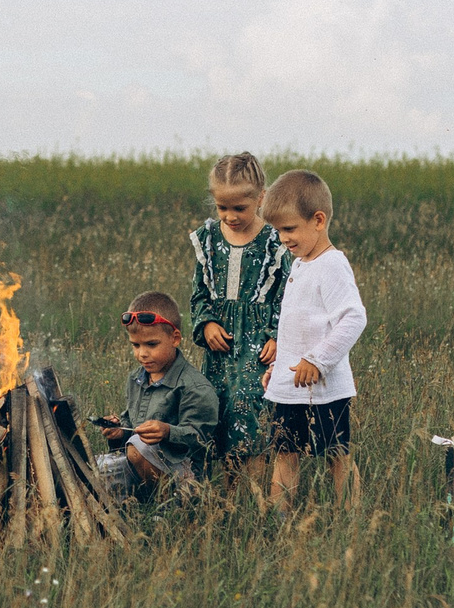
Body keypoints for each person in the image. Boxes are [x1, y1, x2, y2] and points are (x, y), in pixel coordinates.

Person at [260, 169, 366, 509]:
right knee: (284, 455)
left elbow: (353, 318)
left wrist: (317, 360)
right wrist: (278, 368)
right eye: (279, 231)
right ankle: (278, 524)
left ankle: (350, 522)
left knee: (337, 457)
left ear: (318, 220)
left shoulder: (332, 264)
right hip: (289, 387)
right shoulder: (300, 264)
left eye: (290, 229)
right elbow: (298, 328)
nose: (283, 238)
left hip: (325, 390)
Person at [186, 151, 287, 499]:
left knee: (250, 413)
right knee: (219, 411)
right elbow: (199, 294)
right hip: (221, 349)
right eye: (222, 207)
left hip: (257, 348)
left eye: (239, 208)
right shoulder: (209, 239)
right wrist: (207, 323)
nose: (230, 216)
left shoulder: (275, 242)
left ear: (261, 198)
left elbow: (287, 294)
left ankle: (253, 498)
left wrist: (277, 335)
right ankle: (231, 498)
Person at [93, 292, 219, 507]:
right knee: (96, 466)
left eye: (151, 344)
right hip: (140, 464)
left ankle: (172, 508)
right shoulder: (135, 379)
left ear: (175, 338)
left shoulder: (194, 386)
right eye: (136, 345)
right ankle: (130, 507)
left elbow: (203, 440)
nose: (142, 354)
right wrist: (118, 431)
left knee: (139, 447)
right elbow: (131, 424)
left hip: (185, 475)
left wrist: (168, 432)